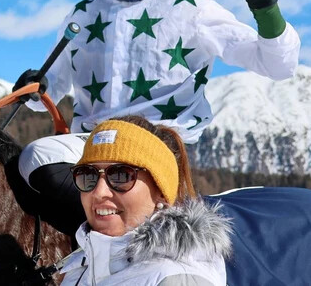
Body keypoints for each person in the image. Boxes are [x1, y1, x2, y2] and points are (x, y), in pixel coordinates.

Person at [14, 0, 300, 235]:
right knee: (33, 159)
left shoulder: (190, 8)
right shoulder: (83, 14)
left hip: (157, 148)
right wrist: (34, 88)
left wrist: (266, 11)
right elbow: (46, 98)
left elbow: (278, 66)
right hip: (93, 148)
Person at [59, 116, 231, 285]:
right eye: (88, 175)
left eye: (121, 175)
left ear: (161, 192)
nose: (99, 192)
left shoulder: (176, 278)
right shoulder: (78, 272)